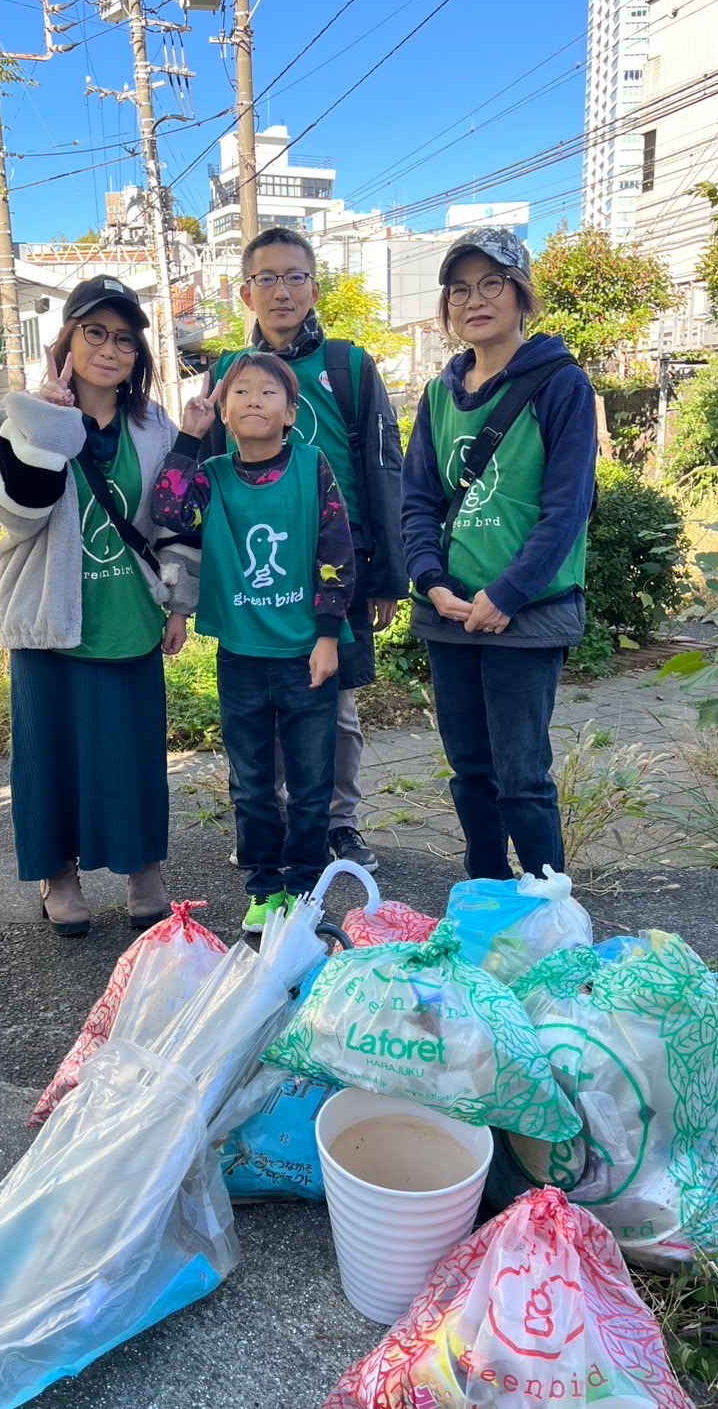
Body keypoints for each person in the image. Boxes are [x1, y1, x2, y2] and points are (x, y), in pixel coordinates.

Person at [0, 276, 200, 935]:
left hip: (129, 613)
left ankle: (142, 869)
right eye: (94, 331)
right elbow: (17, 511)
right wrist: (49, 418)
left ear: (138, 355)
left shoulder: (153, 428)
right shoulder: (26, 417)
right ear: (66, 338)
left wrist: (178, 603)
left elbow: (176, 516)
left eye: (124, 338)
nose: (110, 348)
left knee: (134, 752)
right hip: (48, 616)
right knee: (50, 753)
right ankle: (57, 876)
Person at [197, 227, 404, 874]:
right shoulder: (225, 371)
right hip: (256, 588)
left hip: (333, 575)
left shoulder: (347, 365)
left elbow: (382, 466)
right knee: (263, 710)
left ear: (314, 288)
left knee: (335, 707)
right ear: (245, 292)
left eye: (294, 277)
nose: (281, 290)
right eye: (267, 278)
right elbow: (205, 480)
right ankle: (271, 822)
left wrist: (387, 575)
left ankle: (339, 823)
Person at [401, 227, 597, 880]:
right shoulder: (436, 395)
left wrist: (505, 594)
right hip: (451, 615)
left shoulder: (561, 385)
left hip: (528, 614)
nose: (474, 300)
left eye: (492, 283)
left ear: (521, 294)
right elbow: (418, 502)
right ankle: (484, 895)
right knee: (471, 773)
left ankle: (551, 910)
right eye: (459, 289)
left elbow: (565, 508)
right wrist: (431, 581)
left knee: (521, 776)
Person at [152, 352, 355, 932]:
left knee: (314, 783)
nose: (254, 401)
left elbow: (336, 555)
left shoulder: (313, 466)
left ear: (291, 412)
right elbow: (168, 507)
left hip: (305, 655)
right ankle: (265, 889)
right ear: (223, 409)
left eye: (269, 393)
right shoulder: (212, 476)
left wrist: (327, 636)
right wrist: (190, 436)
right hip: (240, 655)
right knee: (252, 786)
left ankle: (305, 888)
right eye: (240, 392)